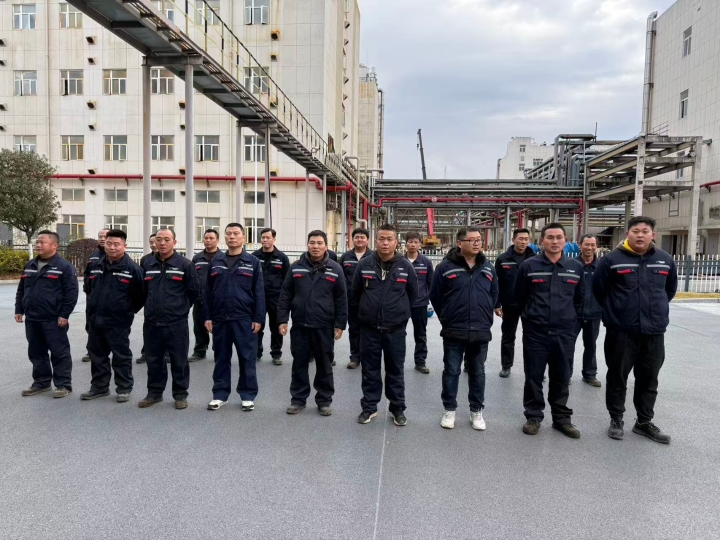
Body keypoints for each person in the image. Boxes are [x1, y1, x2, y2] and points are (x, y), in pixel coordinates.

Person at [593, 216, 677, 444]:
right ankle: (616, 419)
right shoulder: (611, 260)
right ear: (627, 234)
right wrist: (619, 312)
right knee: (617, 376)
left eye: (645, 231)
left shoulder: (664, 260)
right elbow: (599, 290)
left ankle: (643, 422)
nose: (640, 235)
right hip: (621, 332)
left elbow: (669, 291)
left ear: (653, 235)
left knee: (649, 378)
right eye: (636, 231)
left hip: (654, 332)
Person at [514, 223, 584, 439]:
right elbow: (519, 296)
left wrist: (571, 323)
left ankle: (561, 419)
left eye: (559, 237)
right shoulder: (529, 266)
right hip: (536, 333)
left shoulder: (575, 267)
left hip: (565, 333)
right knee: (534, 376)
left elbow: (580, 299)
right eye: (550, 237)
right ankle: (533, 416)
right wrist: (530, 319)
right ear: (542, 241)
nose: (555, 241)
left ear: (565, 241)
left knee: (562, 376)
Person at [430, 227, 498, 430]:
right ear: (460, 243)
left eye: (479, 240)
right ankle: (449, 409)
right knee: (451, 370)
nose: (477, 243)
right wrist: (446, 317)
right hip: (454, 328)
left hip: (480, 328)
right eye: (472, 240)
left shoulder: (488, 267)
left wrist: (485, 315)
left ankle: (476, 410)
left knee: (478, 371)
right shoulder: (445, 267)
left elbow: (494, 294)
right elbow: (435, 295)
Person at [352, 224, 417, 426]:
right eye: (382, 239)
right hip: (369, 330)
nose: (385, 243)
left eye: (389, 239)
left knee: (395, 370)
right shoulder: (364, 264)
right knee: (369, 370)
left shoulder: (405, 266)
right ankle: (369, 407)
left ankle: (397, 408)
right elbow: (355, 293)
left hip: (395, 330)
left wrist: (400, 315)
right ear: (376, 241)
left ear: (396, 242)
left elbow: (413, 295)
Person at [277, 230, 348, 416]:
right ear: (307, 245)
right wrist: (282, 319)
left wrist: (340, 324)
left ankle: (324, 400)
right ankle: (298, 399)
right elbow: (285, 294)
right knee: (299, 364)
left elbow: (341, 298)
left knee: (324, 365)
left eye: (319, 243)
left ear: (326, 246)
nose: (315, 246)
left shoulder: (335, 268)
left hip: (324, 325)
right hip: (300, 325)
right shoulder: (296, 267)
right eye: (312, 243)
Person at [204, 223, 265, 411]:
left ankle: (247, 395)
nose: (232, 236)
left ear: (243, 238)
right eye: (228, 233)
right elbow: (207, 291)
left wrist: (258, 318)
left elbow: (259, 292)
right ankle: (220, 394)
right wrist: (207, 316)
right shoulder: (216, 261)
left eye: (236, 233)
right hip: (220, 318)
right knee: (221, 358)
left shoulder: (252, 262)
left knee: (247, 358)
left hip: (244, 318)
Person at [81, 229, 145, 402]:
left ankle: (123, 388)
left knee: (121, 356)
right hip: (96, 320)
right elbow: (89, 288)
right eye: (109, 243)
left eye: (117, 244)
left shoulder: (133, 269)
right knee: (97, 355)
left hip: (118, 322)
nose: (112, 247)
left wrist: (125, 311)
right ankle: (99, 387)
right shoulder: (95, 265)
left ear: (125, 246)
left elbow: (140, 296)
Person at [139, 228, 200, 409]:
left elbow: (193, 291)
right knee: (153, 360)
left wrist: (180, 309)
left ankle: (180, 394)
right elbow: (142, 290)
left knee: (179, 360)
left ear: (174, 242)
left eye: (167, 239)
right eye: (159, 239)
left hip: (176, 323)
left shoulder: (185, 264)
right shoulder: (147, 263)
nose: (162, 243)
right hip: (151, 322)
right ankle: (154, 393)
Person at [14, 231, 79, 398]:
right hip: (32, 317)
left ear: (54, 245)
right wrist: (19, 309)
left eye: (42, 242)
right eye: (37, 242)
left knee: (59, 352)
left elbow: (71, 294)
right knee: (36, 352)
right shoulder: (30, 265)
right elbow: (22, 289)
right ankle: (41, 383)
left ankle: (63, 384)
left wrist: (64, 314)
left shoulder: (64, 267)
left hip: (53, 318)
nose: (38, 245)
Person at [494, 228, 534, 378]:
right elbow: (496, 283)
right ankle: (506, 366)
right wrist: (497, 304)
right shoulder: (503, 259)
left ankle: (533, 368)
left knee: (532, 338)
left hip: (530, 305)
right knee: (508, 336)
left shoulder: (535, 259)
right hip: (509, 304)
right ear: (513, 240)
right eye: (520, 239)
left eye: (526, 239)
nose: (523, 242)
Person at [252, 228, 290, 365]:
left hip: (276, 298)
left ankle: (276, 354)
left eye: (268, 237)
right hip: (258, 298)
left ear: (274, 239)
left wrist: (285, 299)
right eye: (263, 237)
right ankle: (256, 353)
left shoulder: (282, 257)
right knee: (257, 326)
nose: (265, 240)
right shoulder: (254, 257)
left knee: (276, 327)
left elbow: (287, 280)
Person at [340, 228, 372, 369]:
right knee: (354, 329)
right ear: (352, 240)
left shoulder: (374, 256)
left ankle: (368, 357)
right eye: (357, 237)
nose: (359, 240)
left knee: (369, 329)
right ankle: (355, 357)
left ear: (367, 240)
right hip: (351, 300)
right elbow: (340, 279)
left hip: (369, 300)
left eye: (362, 237)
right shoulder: (345, 257)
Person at [403, 232, 434, 374]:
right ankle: (397, 361)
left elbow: (430, 283)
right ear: (406, 243)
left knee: (420, 334)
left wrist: (426, 297)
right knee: (398, 334)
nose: (413, 245)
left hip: (420, 304)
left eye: (416, 242)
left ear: (420, 244)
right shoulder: (399, 261)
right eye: (410, 241)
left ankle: (420, 362)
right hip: (401, 303)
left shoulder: (426, 262)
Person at [574, 234, 602, 387]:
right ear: (580, 245)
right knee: (567, 345)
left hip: (594, 313)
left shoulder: (602, 266)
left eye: (593, 245)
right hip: (573, 313)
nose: (589, 248)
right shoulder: (572, 265)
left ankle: (590, 375)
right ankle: (565, 374)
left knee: (591, 345)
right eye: (586, 244)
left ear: (596, 247)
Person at [189, 229, 219, 362]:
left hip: (217, 300)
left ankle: (219, 351)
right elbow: (192, 278)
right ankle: (200, 351)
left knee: (218, 327)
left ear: (217, 240)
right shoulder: (197, 258)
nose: (208, 240)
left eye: (211, 238)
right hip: (200, 299)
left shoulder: (222, 258)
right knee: (199, 327)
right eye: (206, 238)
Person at [82, 229, 109, 362]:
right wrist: (88, 290)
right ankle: (91, 350)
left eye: (105, 236)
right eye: (100, 236)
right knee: (91, 324)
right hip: (93, 299)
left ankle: (109, 350)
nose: (102, 238)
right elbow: (87, 275)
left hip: (110, 300)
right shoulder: (93, 256)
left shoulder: (117, 255)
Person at [137, 233, 158, 364]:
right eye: (151, 242)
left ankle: (167, 353)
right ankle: (146, 353)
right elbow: (141, 280)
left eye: (156, 241)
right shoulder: (145, 260)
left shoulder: (176, 260)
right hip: (150, 300)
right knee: (149, 327)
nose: (153, 245)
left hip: (169, 301)